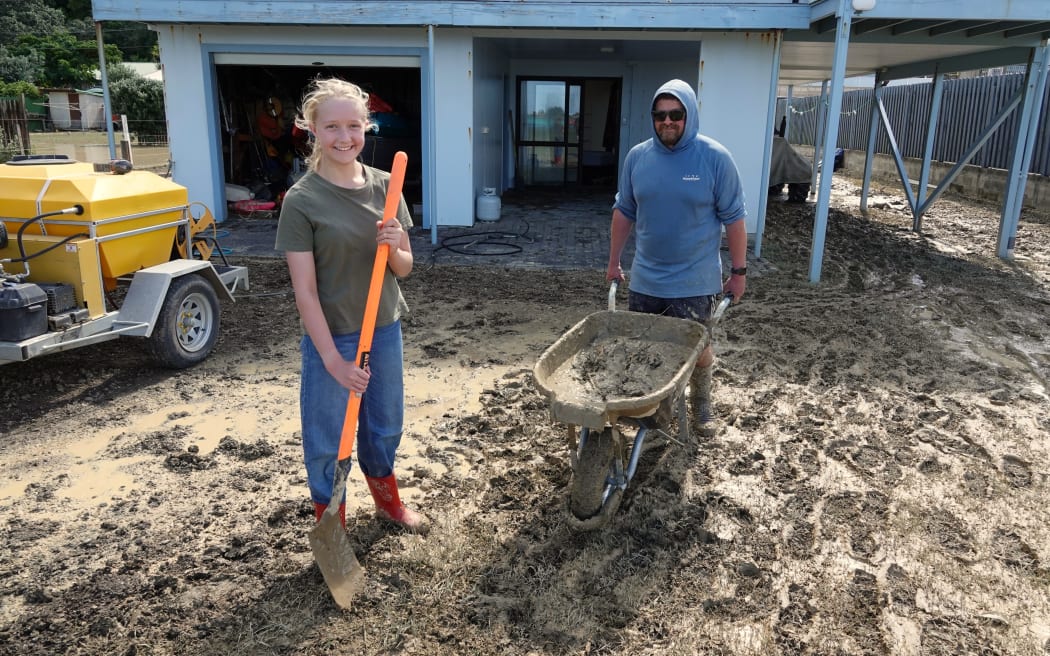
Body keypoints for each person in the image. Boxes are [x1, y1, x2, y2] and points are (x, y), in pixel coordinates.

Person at [275, 78, 427, 534]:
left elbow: (403, 268)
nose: (345, 137)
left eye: (354, 126)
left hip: (382, 329)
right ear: (312, 130)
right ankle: (331, 524)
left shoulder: (387, 186)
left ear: (367, 127)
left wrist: (396, 242)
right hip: (332, 335)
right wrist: (333, 362)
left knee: (383, 426)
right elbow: (304, 291)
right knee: (327, 442)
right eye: (333, 127)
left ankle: (389, 504)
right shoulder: (302, 201)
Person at [606, 78, 748, 438]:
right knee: (646, 347)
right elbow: (624, 211)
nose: (667, 122)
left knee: (696, 348)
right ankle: (651, 410)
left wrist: (739, 272)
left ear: (690, 115)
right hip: (646, 278)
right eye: (660, 115)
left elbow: (734, 220)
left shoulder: (715, 159)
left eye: (676, 115)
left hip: (694, 281)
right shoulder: (638, 157)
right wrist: (613, 262)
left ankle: (701, 402)